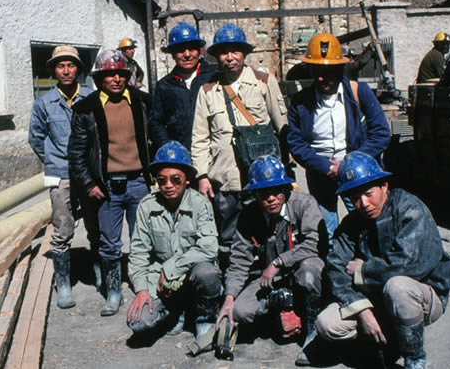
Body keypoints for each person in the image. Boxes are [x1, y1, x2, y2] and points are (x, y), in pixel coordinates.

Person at [315, 151, 450, 369]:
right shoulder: (352, 223)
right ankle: (382, 339)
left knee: (397, 287)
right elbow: (335, 268)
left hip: (422, 296)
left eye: (369, 193)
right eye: (355, 198)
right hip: (375, 299)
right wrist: (362, 310)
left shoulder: (409, 208)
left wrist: (362, 271)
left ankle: (414, 357)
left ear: (384, 186)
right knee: (326, 323)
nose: (364, 203)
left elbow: (410, 264)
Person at [192, 23, 288, 268]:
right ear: (216, 57)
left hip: (263, 178)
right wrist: (202, 175)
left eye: (235, 51)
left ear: (244, 54)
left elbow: (283, 129)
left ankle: (268, 278)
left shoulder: (264, 82)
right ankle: (231, 280)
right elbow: (200, 137)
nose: (230, 57)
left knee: (267, 233)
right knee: (228, 236)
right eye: (224, 52)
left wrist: (286, 171)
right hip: (225, 179)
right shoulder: (207, 90)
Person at [216, 155, 325, 366]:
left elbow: (314, 244)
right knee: (239, 311)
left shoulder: (304, 204)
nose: (271, 198)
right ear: (255, 194)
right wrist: (229, 297)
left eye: (276, 191)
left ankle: (313, 329)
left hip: (299, 269)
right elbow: (239, 259)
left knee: (309, 272)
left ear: (285, 189)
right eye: (263, 193)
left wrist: (279, 262)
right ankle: (277, 308)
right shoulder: (249, 214)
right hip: (271, 279)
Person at [69, 49, 152, 317]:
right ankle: (113, 292)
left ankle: (144, 286)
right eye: (109, 74)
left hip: (139, 182)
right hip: (106, 187)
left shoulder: (142, 102)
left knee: (144, 239)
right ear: (99, 78)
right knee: (109, 242)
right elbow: (77, 154)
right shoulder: (86, 109)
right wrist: (89, 184)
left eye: (121, 74)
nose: (116, 79)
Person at [286, 32, 391, 241]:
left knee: (368, 224)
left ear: (339, 68)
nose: (320, 78)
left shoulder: (359, 92)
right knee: (327, 230)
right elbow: (296, 143)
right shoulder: (300, 101)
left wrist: (349, 163)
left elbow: (381, 133)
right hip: (321, 174)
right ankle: (334, 260)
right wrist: (327, 166)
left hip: (358, 174)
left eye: (326, 71)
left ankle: (368, 259)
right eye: (315, 71)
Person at [126, 141, 221, 344]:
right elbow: (139, 251)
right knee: (139, 322)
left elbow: (209, 248)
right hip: (160, 279)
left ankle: (204, 317)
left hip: (190, 272)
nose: (168, 185)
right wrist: (141, 290)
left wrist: (171, 268)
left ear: (187, 180)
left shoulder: (200, 204)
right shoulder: (147, 206)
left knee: (208, 273)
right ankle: (174, 311)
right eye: (162, 180)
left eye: (176, 179)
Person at [28, 45, 93, 309]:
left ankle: (99, 272)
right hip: (60, 171)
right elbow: (36, 138)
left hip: (88, 171)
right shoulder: (44, 103)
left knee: (96, 223)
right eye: (60, 66)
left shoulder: (90, 97)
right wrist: (54, 161)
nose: (66, 71)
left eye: (71, 65)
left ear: (78, 69)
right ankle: (64, 283)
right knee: (63, 225)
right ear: (54, 70)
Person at [149, 22, 218, 152]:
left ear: (199, 51)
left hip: (212, 152)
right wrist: (169, 148)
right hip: (181, 156)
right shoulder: (165, 86)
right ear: (173, 54)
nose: (187, 55)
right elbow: (156, 123)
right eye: (181, 50)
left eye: (191, 49)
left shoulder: (214, 78)